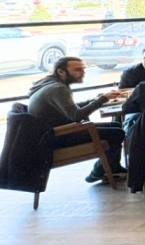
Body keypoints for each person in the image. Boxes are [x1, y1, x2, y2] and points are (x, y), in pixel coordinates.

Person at [27, 56, 125, 184]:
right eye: (78, 70)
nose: (83, 72)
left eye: (83, 69)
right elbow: (77, 116)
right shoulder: (58, 89)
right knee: (117, 133)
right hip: (57, 136)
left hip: (50, 134)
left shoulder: (50, 83)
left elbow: (70, 109)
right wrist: (103, 99)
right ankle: (100, 172)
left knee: (115, 125)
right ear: (61, 71)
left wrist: (94, 100)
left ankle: (110, 169)